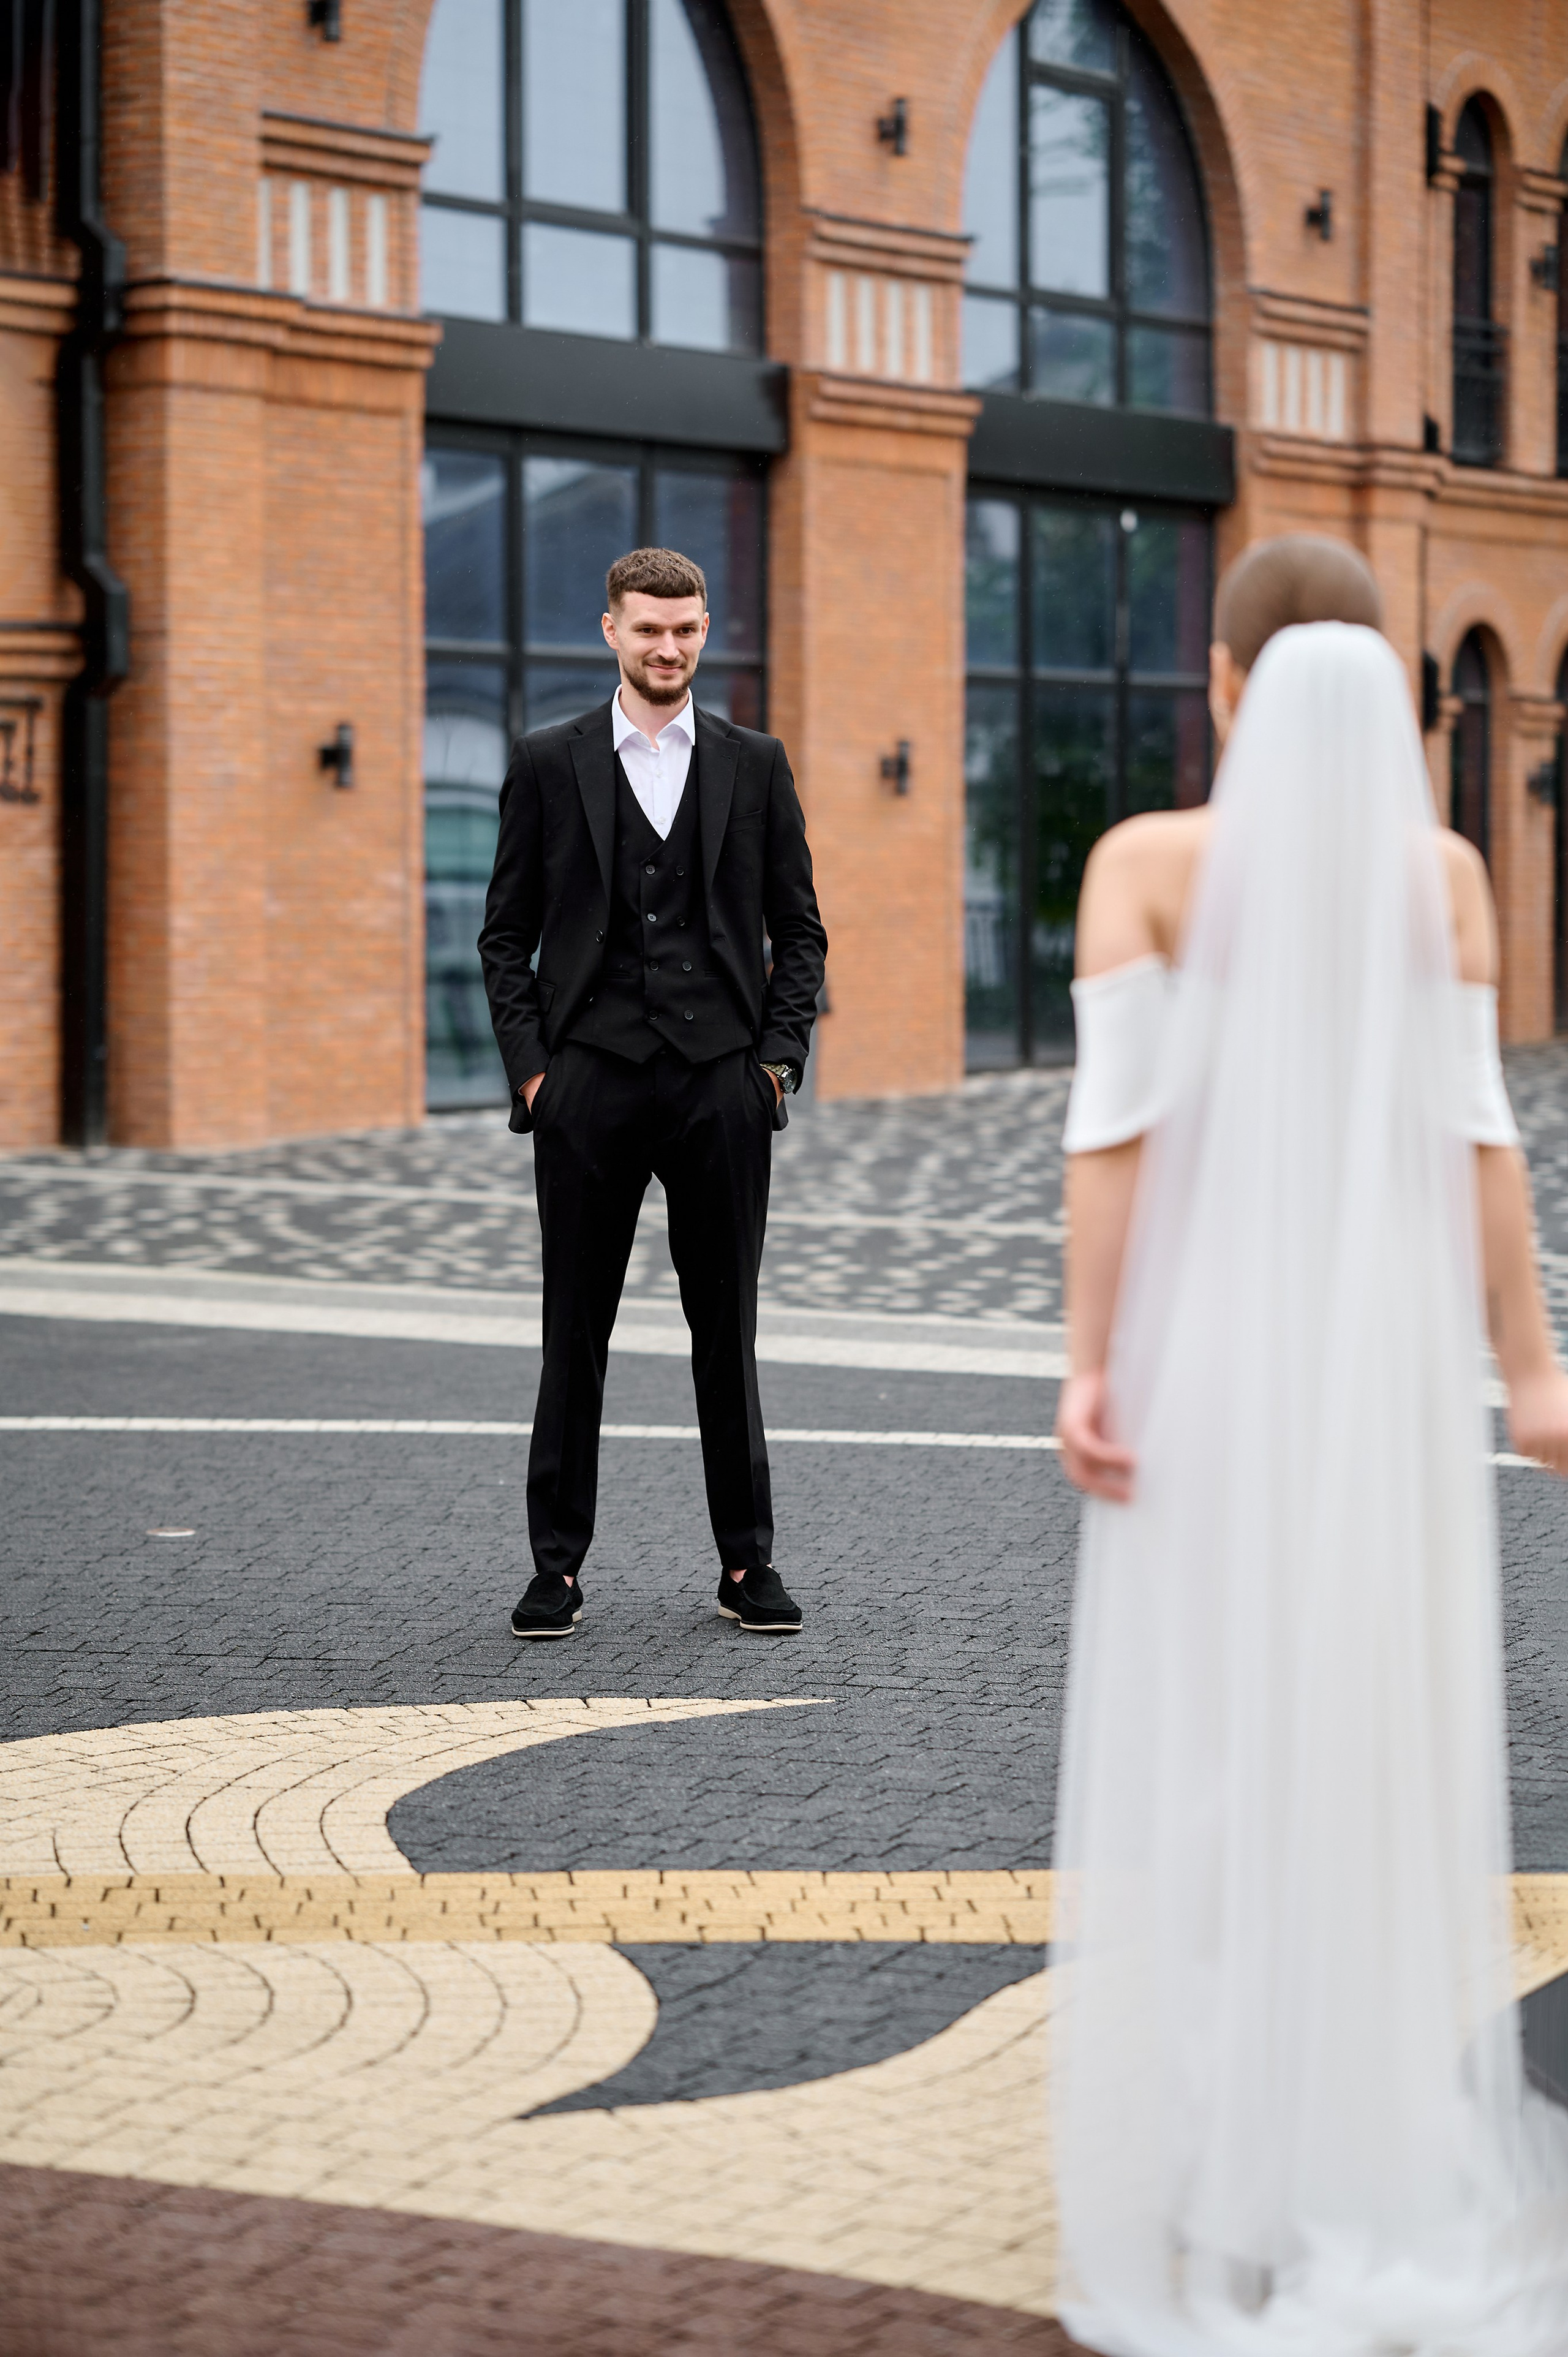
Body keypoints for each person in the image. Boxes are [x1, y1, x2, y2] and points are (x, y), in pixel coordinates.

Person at [1050, 534, 1568, 2353]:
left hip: (1206, 1367)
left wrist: (1084, 1363)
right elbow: (1475, 1143)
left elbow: (1109, 1145)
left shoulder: (1150, 867)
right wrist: (1534, 1369)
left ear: (1226, 684)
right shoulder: (1444, 878)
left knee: (1207, 1746)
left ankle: (1224, 2155)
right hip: (1380, 1376)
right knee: (1363, 1740)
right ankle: (1362, 2135)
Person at [478, 546, 827, 1640]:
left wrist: (772, 1065)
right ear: (611, 630)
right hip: (588, 1083)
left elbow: (800, 931)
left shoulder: (755, 763)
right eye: (647, 629)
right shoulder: (547, 761)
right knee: (572, 1332)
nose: (666, 647)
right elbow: (504, 936)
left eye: (684, 630)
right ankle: (556, 1569)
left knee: (727, 1331)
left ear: (705, 630)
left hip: (722, 1084)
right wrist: (538, 1073)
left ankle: (746, 1566)